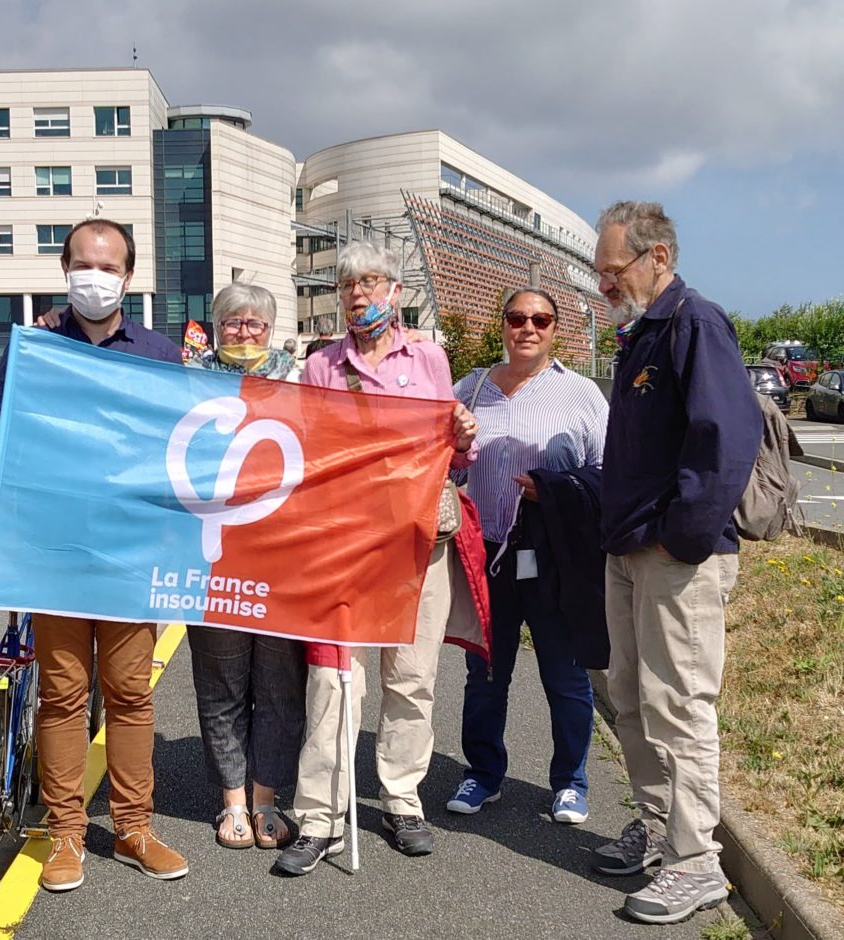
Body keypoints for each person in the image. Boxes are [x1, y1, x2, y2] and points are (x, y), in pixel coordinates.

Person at [0, 218, 189, 893]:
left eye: (109, 266)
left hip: (129, 553)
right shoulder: (37, 346)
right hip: (55, 550)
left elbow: (181, 446)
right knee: (64, 694)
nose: (95, 276)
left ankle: (133, 828)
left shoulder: (159, 353)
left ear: (128, 277)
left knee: (129, 693)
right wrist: (2, 508)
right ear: (66, 269)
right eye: (83, 264)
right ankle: (65, 832)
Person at [276, 241, 486, 876]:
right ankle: (319, 815)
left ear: (395, 291)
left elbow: (448, 455)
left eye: (370, 282)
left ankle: (401, 798)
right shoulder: (320, 366)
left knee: (412, 677)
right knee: (334, 678)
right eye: (347, 286)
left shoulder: (428, 358)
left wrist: (463, 438)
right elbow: (308, 451)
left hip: (421, 541)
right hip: (346, 544)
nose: (359, 296)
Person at [592, 201, 761, 924]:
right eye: (598, 274)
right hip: (632, 552)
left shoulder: (694, 324)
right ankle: (661, 828)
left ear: (657, 256)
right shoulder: (642, 334)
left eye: (612, 271)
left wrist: (680, 537)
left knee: (679, 706)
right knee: (631, 698)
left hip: (672, 558)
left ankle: (698, 864)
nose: (604, 286)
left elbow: (726, 438)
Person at [447, 289, 607, 824]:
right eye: (517, 318)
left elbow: (609, 472)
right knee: (486, 673)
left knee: (565, 674)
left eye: (540, 319)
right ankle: (483, 774)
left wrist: (557, 490)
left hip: (555, 555)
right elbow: (444, 462)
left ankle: (570, 781)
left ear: (555, 329)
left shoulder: (580, 393)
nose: (528, 328)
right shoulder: (470, 389)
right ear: (503, 326)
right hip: (488, 553)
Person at [185, 283, 306, 850]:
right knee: (221, 681)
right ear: (215, 326)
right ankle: (231, 800)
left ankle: (266, 799)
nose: (244, 332)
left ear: (273, 329)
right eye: (234, 322)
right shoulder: (187, 381)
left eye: (256, 323)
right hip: (213, 555)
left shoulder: (303, 384)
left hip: (285, 555)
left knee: (280, 683)